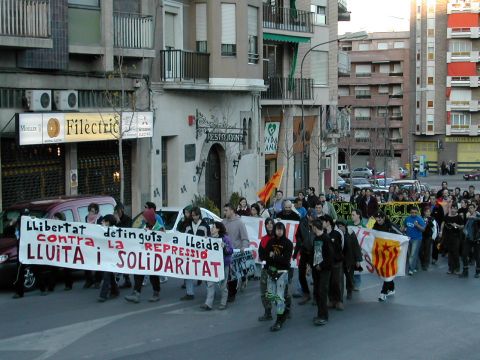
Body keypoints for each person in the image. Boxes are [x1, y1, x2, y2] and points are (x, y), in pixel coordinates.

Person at [124, 208, 164, 303]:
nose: (144, 219)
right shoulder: (144, 226)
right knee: (138, 272)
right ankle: (136, 293)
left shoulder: (159, 228)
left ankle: (156, 292)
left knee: (153, 275)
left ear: (150, 218)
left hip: (154, 256)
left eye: (145, 217)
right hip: (143, 254)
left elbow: (162, 241)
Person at [264, 222, 293, 332]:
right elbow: (266, 256)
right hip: (271, 272)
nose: (279, 231)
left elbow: (286, 261)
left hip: (282, 272)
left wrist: (274, 256)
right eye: (277, 229)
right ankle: (286, 309)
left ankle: (279, 321)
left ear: (284, 230)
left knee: (279, 297)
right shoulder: (271, 241)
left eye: (281, 229)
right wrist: (275, 258)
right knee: (271, 296)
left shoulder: (288, 243)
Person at [201, 221, 233, 310]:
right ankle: (208, 303)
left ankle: (223, 302)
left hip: (223, 265)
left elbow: (230, 251)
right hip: (212, 265)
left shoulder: (226, 239)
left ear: (218, 229)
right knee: (210, 283)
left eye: (213, 227)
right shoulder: (210, 238)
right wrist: (204, 241)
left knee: (223, 285)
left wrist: (224, 247)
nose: (211, 229)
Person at [373, 211, 403, 302]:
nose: (378, 220)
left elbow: (401, 234)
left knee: (387, 272)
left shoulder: (390, 225)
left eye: (380, 219)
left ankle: (383, 292)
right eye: (377, 219)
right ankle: (392, 288)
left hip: (390, 253)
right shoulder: (375, 225)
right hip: (380, 253)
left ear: (384, 218)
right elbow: (370, 234)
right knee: (385, 272)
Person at [182, 206, 211, 300]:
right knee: (188, 272)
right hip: (190, 253)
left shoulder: (204, 225)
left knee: (205, 273)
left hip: (202, 254)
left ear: (199, 215)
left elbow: (208, 239)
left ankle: (209, 293)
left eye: (195, 215)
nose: (194, 217)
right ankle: (189, 293)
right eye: (192, 215)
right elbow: (184, 238)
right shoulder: (187, 225)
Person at [223, 203, 249, 303]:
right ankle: (229, 290)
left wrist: (244, 247)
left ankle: (232, 293)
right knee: (227, 274)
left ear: (232, 211)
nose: (224, 212)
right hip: (225, 252)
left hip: (236, 253)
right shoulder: (223, 222)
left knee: (232, 274)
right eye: (224, 210)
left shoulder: (240, 223)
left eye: (226, 210)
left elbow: (245, 238)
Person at [311, 219, 333, 326]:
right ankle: (320, 314)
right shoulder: (316, 238)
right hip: (317, 270)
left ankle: (324, 316)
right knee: (318, 292)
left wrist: (321, 265)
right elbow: (316, 254)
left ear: (315, 227)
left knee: (323, 292)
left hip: (324, 270)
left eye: (312, 227)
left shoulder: (326, 238)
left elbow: (329, 257)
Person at [293, 209, 316, 305]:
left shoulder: (317, 223)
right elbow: (298, 237)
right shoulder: (302, 223)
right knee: (301, 274)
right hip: (304, 252)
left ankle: (316, 296)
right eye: (313, 216)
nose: (314, 218)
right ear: (308, 216)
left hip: (314, 253)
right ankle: (306, 293)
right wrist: (295, 253)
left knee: (316, 275)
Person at [322, 215, 344, 311]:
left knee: (336, 282)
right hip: (327, 263)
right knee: (329, 282)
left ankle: (339, 301)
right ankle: (331, 300)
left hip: (336, 262)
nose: (322, 223)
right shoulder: (322, 234)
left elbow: (342, 246)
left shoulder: (337, 234)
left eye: (323, 221)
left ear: (328, 222)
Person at [98, 214, 120, 302]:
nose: (101, 223)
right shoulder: (102, 231)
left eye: (103, 221)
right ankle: (115, 291)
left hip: (113, 256)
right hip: (106, 255)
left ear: (108, 222)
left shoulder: (116, 231)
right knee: (109, 274)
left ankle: (103, 294)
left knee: (106, 274)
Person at [337, 220, 362, 300]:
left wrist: (358, 260)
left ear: (345, 227)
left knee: (349, 278)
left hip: (349, 260)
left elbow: (356, 247)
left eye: (341, 226)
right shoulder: (337, 234)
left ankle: (349, 291)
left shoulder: (351, 234)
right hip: (340, 260)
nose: (339, 228)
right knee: (339, 278)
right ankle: (339, 294)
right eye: (338, 226)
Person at [258, 218, 275, 321]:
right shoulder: (263, 239)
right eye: (267, 223)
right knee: (264, 291)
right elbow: (261, 254)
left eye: (271, 223)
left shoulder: (278, 238)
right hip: (265, 269)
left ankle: (285, 310)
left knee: (279, 292)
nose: (269, 225)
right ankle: (267, 312)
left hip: (276, 269)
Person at [440, 203, 464, 275]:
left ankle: (457, 268)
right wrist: (441, 231)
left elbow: (462, 226)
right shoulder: (447, 216)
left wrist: (457, 225)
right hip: (448, 236)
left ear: (457, 209)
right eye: (452, 208)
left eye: (455, 208)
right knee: (450, 252)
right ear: (451, 208)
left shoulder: (459, 217)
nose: (453, 210)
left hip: (456, 236)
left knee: (455, 252)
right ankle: (450, 268)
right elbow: (443, 223)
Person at [84, 203, 103, 289]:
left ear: (96, 211)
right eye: (89, 211)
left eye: (92, 211)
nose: (90, 213)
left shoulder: (100, 218)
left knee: (98, 262)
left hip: (97, 243)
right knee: (86, 262)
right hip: (89, 243)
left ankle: (98, 281)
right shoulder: (86, 218)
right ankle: (89, 280)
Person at [114, 203, 133, 289]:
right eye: (116, 212)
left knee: (123, 263)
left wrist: (119, 222)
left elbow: (126, 230)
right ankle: (126, 280)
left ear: (122, 210)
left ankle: (118, 281)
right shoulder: (114, 219)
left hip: (126, 245)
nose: (117, 213)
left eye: (118, 211)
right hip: (117, 245)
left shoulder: (128, 219)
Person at [403, 205, 426, 275]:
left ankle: (411, 269)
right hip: (408, 238)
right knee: (411, 254)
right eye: (412, 212)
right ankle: (415, 267)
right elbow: (404, 225)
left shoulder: (420, 219)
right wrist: (403, 229)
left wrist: (417, 225)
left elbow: (423, 229)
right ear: (410, 212)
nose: (413, 214)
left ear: (417, 212)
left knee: (412, 255)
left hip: (417, 239)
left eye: (415, 213)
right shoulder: (407, 218)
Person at [460, 203, 480, 278]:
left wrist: (473, 217)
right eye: (469, 208)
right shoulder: (468, 217)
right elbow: (466, 227)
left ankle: (478, 271)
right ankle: (465, 271)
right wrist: (465, 232)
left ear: (475, 208)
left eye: (472, 208)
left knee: (477, 256)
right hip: (468, 238)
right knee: (464, 254)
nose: (470, 209)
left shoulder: (478, 215)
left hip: (477, 239)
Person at [420, 207, 437, 271]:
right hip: (421, 236)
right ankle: (422, 261)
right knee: (421, 250)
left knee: (427, 250)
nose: (428, 213)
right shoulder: (420, 218)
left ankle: (426, 264)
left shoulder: (432, 219)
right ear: (424, 212)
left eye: (429, 212)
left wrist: (433, 237)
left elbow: (434, 228)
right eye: (427, 211)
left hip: (428, 236)